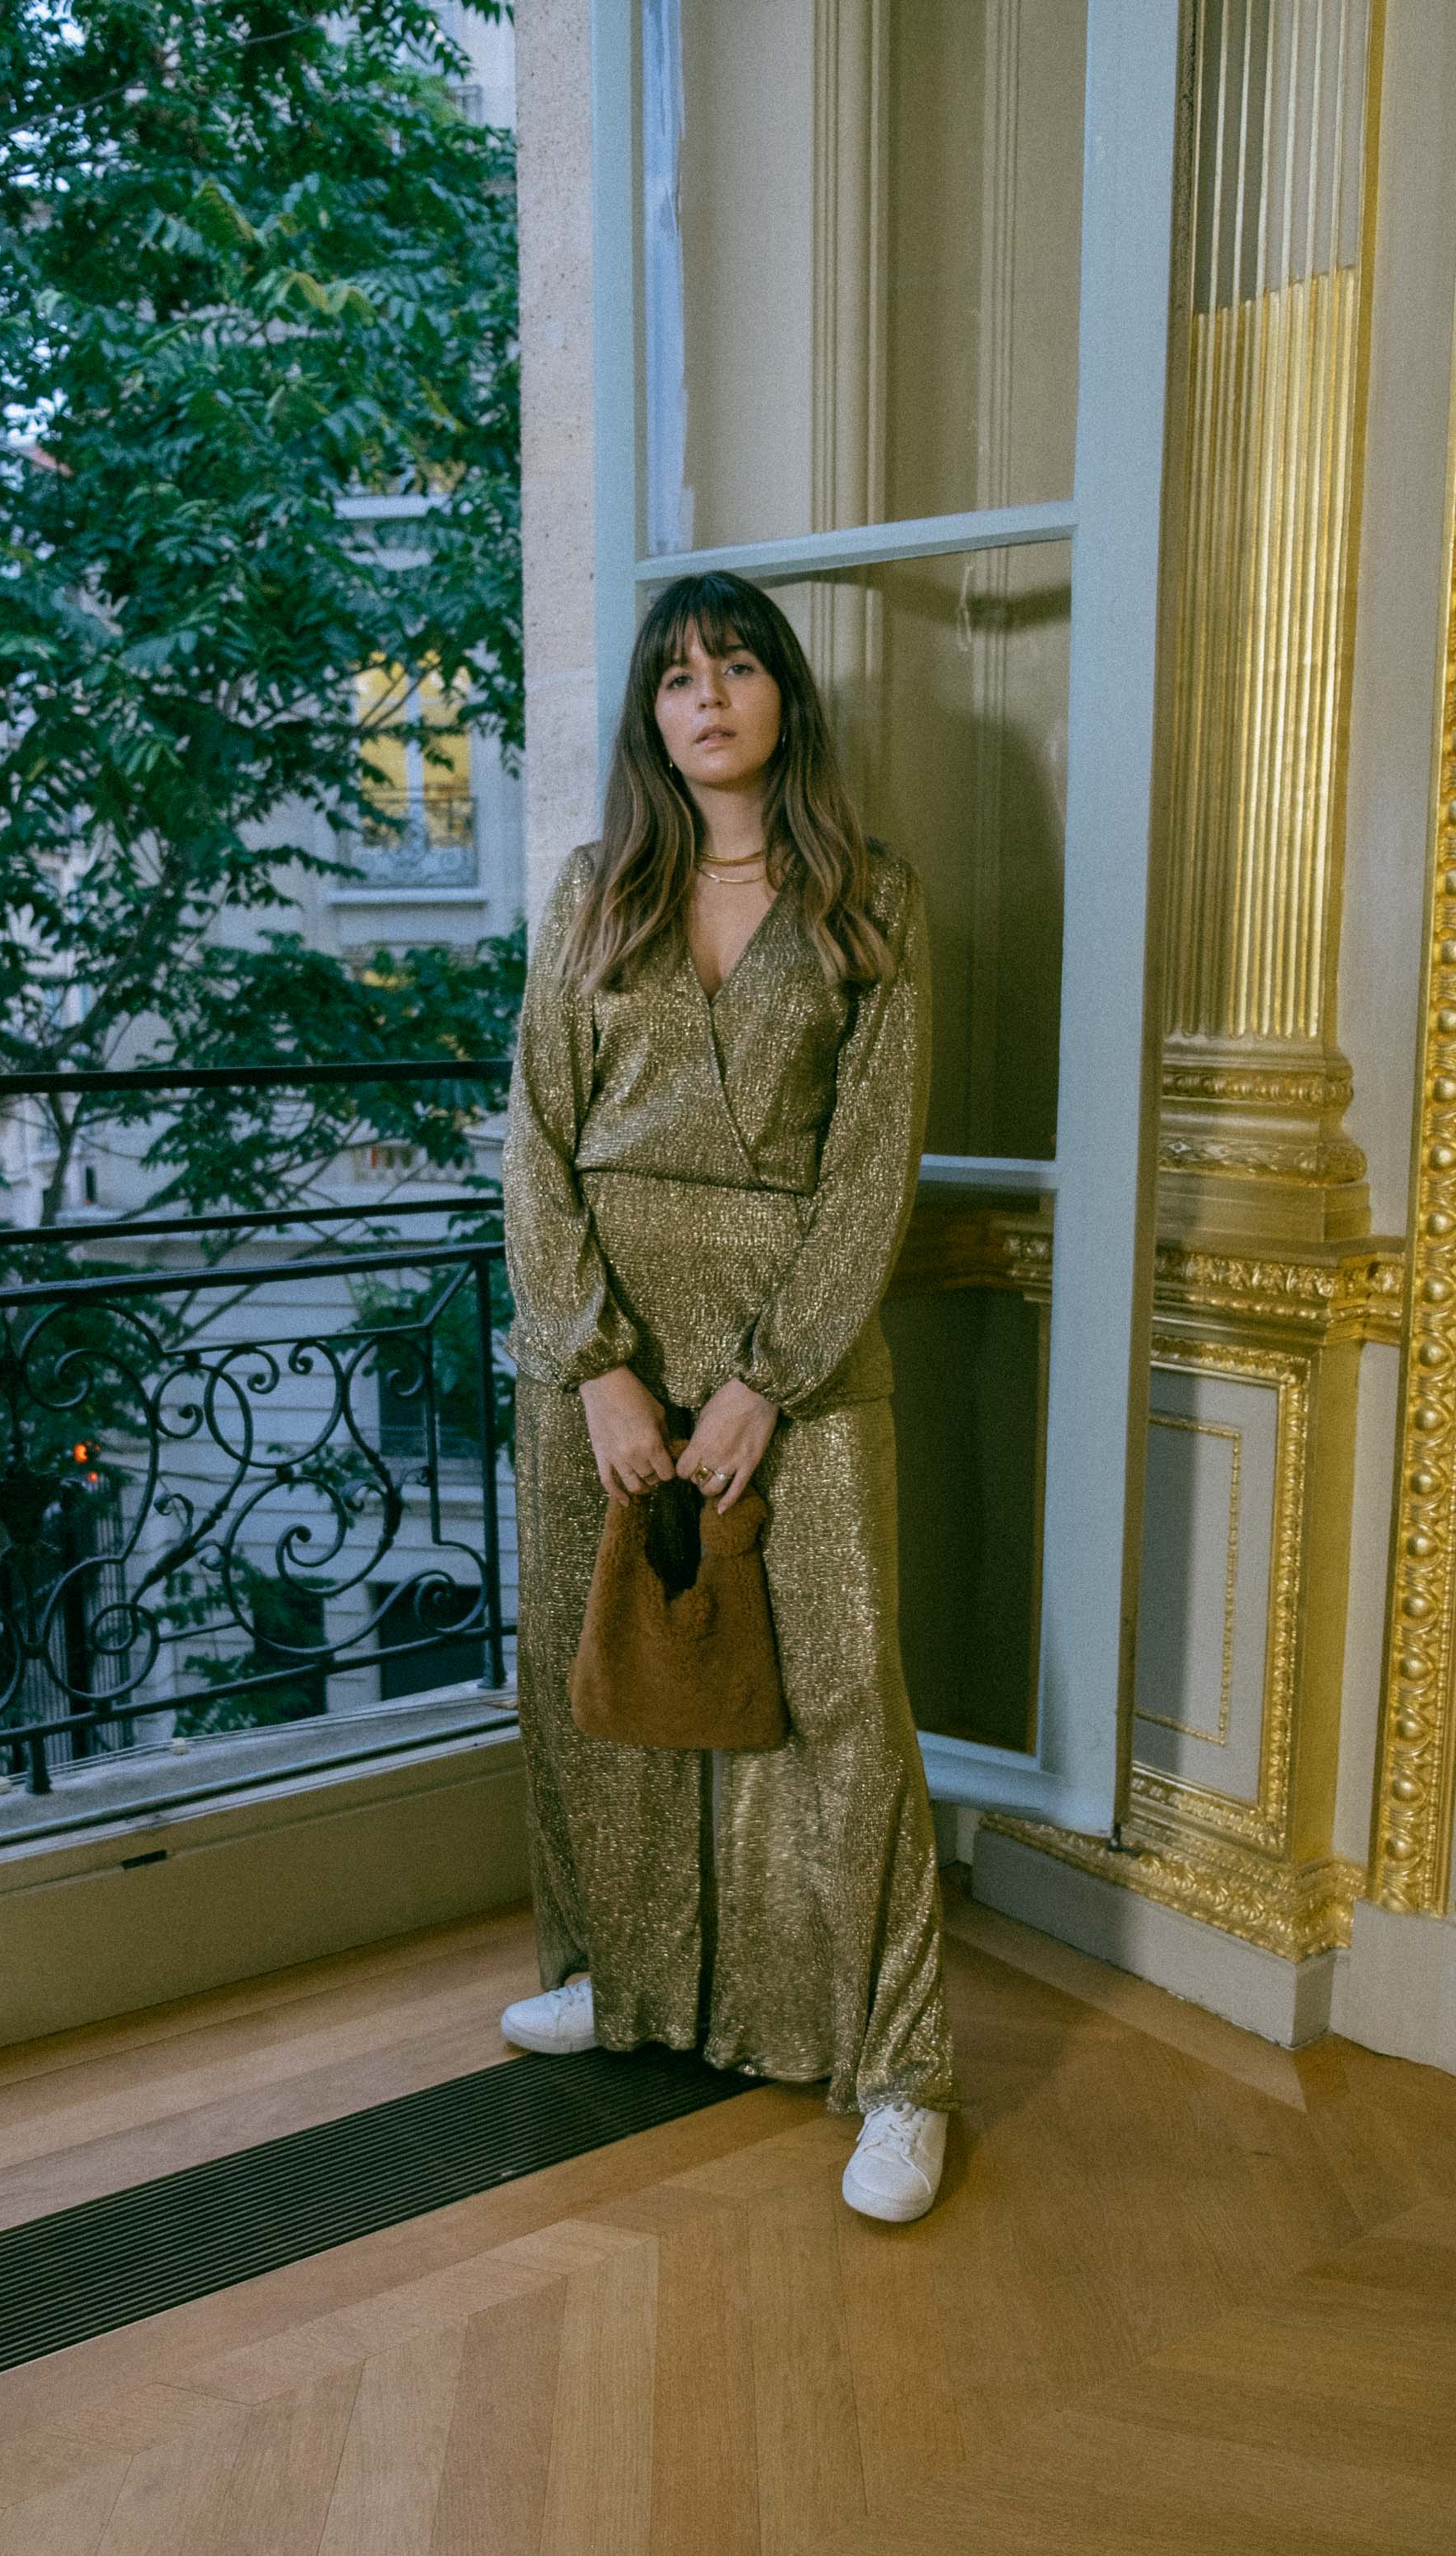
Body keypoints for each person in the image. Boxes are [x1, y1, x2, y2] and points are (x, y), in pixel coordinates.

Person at [497, 569, 955, 2223]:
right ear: (647, 712)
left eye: (736, 668)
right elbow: (534, 1151)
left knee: (840, 1703)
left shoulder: (870, 905)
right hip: (600, 1357)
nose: (706, 698)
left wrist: (769, 1378)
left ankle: (896, 2074)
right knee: (599, 1677)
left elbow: (869, 1178)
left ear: (780, 698)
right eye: (676, 676)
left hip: (799, 1362)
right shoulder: (588, 898)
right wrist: (597, 1368)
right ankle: (617, 1987)